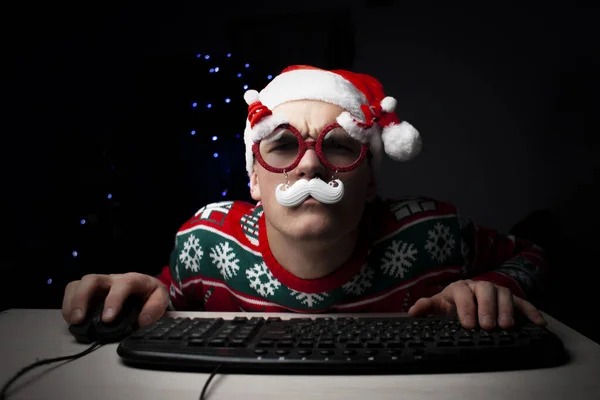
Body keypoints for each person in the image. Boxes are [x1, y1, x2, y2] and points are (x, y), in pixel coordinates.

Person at [62, 65, 549, 332]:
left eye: (339, 145)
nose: (310, 164)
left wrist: (491, 288)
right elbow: (168, 298)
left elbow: (532, 255)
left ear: (372, 180)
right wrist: (147, 295)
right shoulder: (205, 242)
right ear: (254, 180)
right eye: (283, 145)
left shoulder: (433, 234)